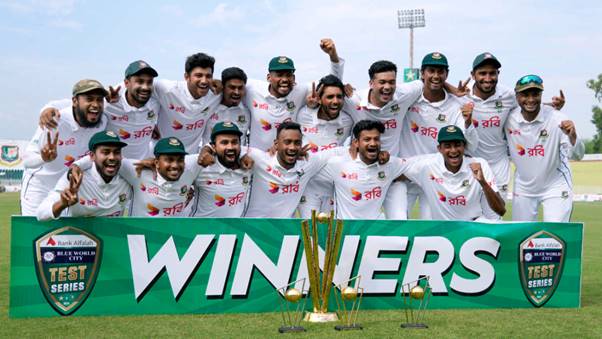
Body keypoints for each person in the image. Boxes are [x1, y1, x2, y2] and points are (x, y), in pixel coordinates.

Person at [461, 53, 565, 207]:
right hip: (468, 164)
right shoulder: (461, 95)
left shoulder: (508, 95)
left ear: (498, 74)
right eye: (483, 73)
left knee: (495, 216)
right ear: (473, 75)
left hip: (498, 166)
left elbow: (528, 105)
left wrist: (552, 106)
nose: (488, 78)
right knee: (466, 215)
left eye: (492, 73)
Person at [399, 52, 479, 219]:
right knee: (398, 227)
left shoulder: (458, 105)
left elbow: (471, 145)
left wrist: (468, 122)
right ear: (422, 73)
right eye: (431, 71)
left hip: (434, 178)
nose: (436, 75)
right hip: (405, 174)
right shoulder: (410, 99)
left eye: (440, 71)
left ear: (447, 74)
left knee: (432, 231)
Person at [38, 60, 161, 159]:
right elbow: (77, 102)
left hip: (142, 168)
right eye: (139, 81)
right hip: (114, 168)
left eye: (149, 82)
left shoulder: (155, 103)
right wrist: (48, 107)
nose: (145, 87)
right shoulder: (108, 103)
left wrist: (153, 125)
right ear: (126, 83)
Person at [21, 79, 108, 216]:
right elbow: (26, 160)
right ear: (74, 101)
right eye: (89, 99)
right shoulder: (55, 120)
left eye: (99, 100)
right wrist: (43, 158)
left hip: (68, 189)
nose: (96, 105)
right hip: (39, 187)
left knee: (65, 236)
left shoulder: (103, 122)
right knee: (34, 233)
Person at [504, 75, 584, 222]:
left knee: (555, 236)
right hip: (524, 188)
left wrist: (573, 135)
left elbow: (578, 155)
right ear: (516, 97)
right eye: (525, 94)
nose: (531, 99)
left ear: (541, 95)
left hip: (555, 186)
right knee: (523, 236)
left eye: (535, 94)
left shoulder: (557, 119)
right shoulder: (508, 119)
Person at [244, 38, 344, 151]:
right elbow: (227, 85)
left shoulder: (301, 91)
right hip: (257, 161)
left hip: (288, 161)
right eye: (279, 75)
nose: (285, 79)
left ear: (294, 78)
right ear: (268, 77)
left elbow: (332, 82)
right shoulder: (252, 89)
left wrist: (333, 56)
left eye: (288, 75)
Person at [73, 137, 212, 217]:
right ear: (156, 162)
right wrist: (76, 166)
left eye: (179, 159)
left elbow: (214, 145)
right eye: (169, 160)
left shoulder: (191, 165)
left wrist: (207, 150)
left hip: (177, 236)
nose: (175, 165)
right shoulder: (138, 171)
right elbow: (104, 160)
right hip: (141, 237)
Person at [399, 125, 505, 221]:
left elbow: (501, 210)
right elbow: (396, 171)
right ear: (439, 149)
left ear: (464, 146)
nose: (453, 150)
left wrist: (483, 183)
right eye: (448, 146)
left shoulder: (479, 165)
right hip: (444, 231)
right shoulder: (427, 165)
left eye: (457, 145)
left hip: (473, 227)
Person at [243, 121, 345, 218]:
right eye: (287, 142)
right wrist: (244, 157)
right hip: (252, 228)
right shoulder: (260, 159)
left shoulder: (307, 163)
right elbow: (233, 148)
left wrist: (354, 148)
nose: (292, 147)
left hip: (285, 230)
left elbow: (335, 152)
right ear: (276, 144)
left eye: (297, 143)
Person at [36, 131, 131, 220]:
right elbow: (41, 214)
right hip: (79, 236)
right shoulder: (75, 178)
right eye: (105, 152)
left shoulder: (128, 179)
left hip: (113, 237)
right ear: (92, 156)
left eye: (117, 152)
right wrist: (62, 204)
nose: (112, 157)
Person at [322, 120, 407, 219]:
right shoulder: (338, 164)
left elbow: (415, 168)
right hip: (346, 230)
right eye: (367, 139)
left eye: (376, 139)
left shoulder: (390, 164)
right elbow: (310, 169)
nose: (373, 143)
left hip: (373, 229)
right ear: (356, 143)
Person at [296, 75, 354, 218]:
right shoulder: (303, 115)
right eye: (330, 97)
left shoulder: (348, 120)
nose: (335, 101)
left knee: (332, 235)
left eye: (339, 97)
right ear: (320, 99)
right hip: (308, 187)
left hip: (334, 188)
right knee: (310, 232)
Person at [153, 53, 222, 152]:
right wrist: (149, 124)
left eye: (208, 76)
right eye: (198, 75)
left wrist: (221, 83)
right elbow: (137, 85)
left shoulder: (216, 94)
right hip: (161, 155)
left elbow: (236, 87)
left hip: (191, 157)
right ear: (186, 76)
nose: (204, 81)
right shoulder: (167, 89)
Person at [192, 122, 251, 217]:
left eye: (234, 142)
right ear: (214, 147)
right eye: (224, 142)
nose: (230, 147)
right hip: (201, 229)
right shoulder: (200, 165)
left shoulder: (249, 163)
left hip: (235, 230)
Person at [201, 67, 251, 146]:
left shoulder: (248, 110)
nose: (236, 92)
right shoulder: (209, 105)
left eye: (240, 88)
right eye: (232, 87)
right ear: (223, 87)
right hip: (208, 156)